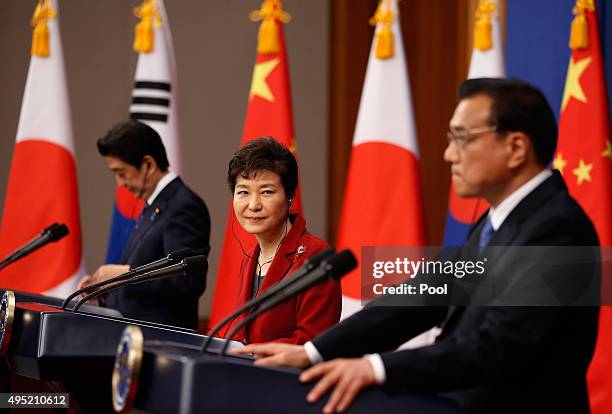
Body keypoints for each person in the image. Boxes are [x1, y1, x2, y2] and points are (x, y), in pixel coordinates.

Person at [235, 79, 600, 413]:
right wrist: (312, 352)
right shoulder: (495, 224)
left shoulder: (559, 229)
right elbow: (421, 299)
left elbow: (501, 345)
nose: (449, 155)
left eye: (461, 137)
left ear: (516, 147)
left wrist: (376, 368)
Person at [78, 120, 210, 330]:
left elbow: (187, 281)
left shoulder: (183, 205)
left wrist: (125, 275)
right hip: (135, 338)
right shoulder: (154, 206)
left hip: (161, 343)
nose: (119, 183)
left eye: (121, 173)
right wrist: (106, 287)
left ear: (148, 164)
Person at [226, 137, 341, 344]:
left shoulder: (314, 256)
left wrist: (254, 355)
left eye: (266, 192)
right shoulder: (251, 257)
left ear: (289, 196)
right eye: (243, 192)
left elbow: (313, 343)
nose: (253, 205)